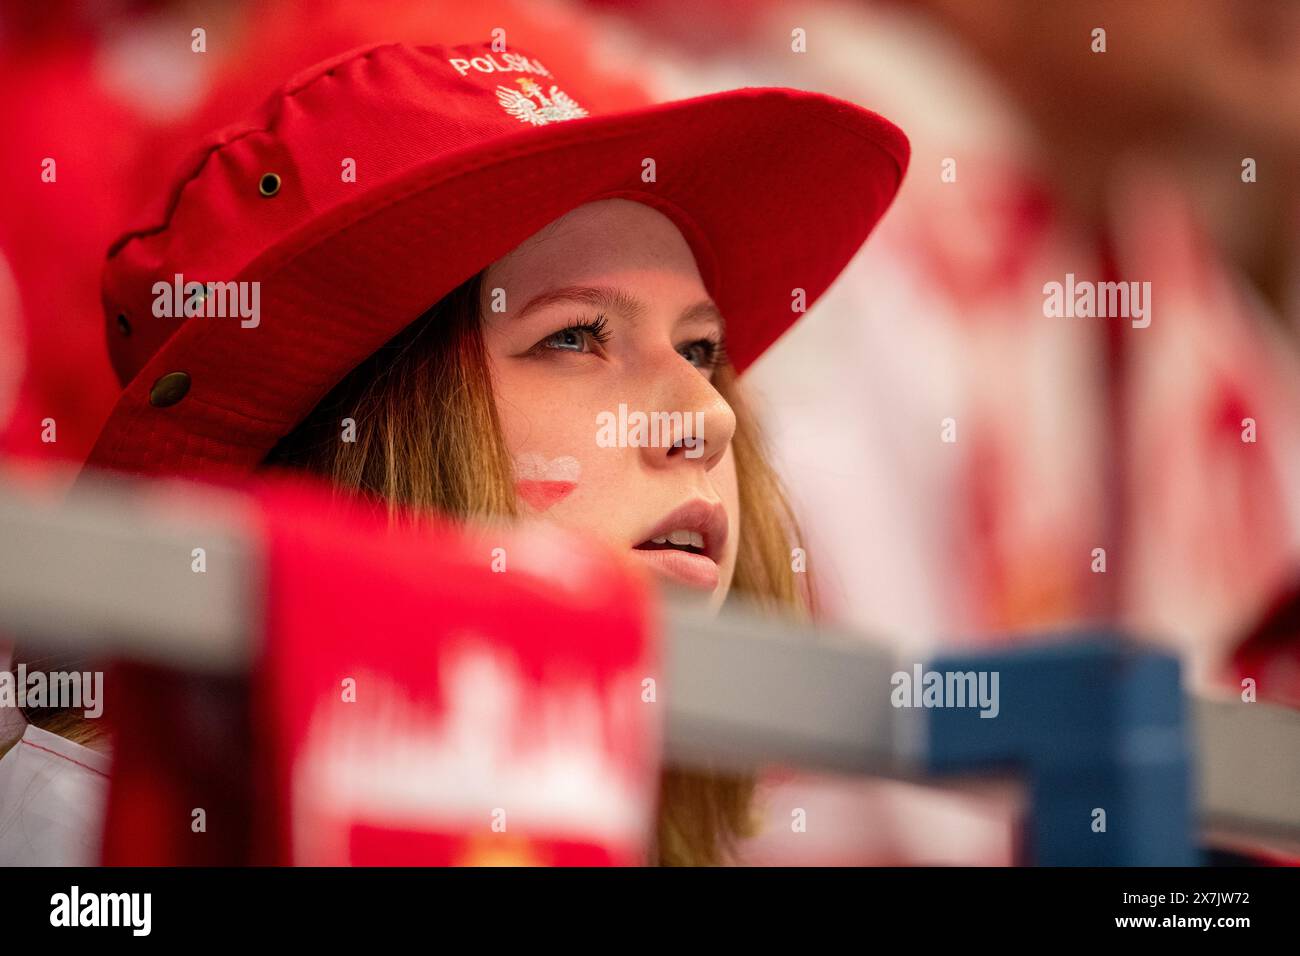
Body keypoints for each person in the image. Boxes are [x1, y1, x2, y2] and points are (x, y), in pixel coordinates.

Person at [0, 40, 907, 865]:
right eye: (577, 336)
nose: (708, 416)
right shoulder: (76, 840)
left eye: (701, 351)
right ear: (361, 433)